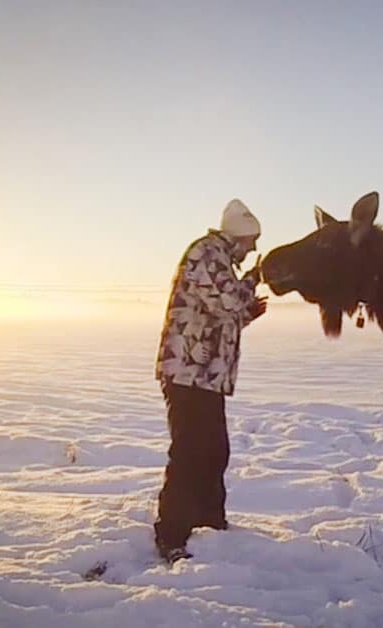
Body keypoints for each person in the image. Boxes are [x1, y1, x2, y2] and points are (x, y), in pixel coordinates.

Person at [153, 198, 268, 563]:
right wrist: (254, 281)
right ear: (238, 236)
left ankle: (209, 525)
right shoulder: (208, 254)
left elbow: (220, 315)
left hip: (206, 377)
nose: (253, 249)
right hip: (188, 374)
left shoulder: (217, 259)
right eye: (251, 241)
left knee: (214, 452)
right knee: (189, 454)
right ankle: (172, 535)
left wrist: (247, 312)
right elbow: (229, 301)